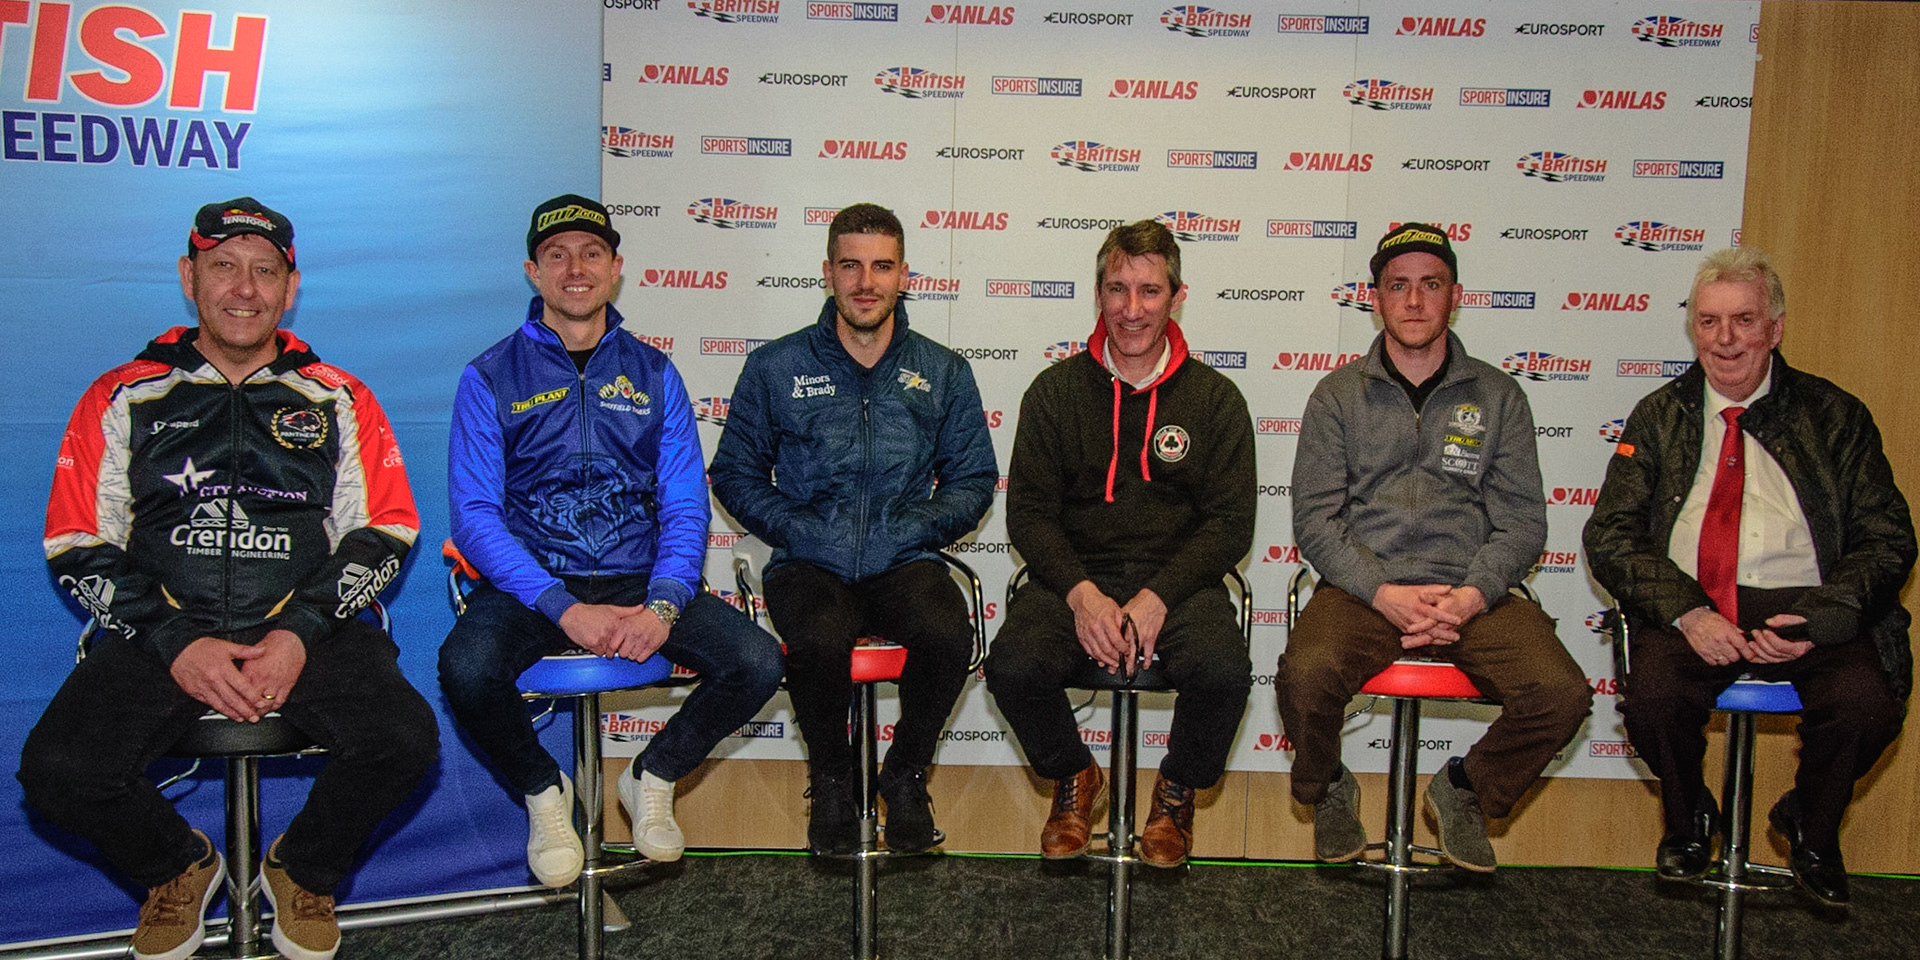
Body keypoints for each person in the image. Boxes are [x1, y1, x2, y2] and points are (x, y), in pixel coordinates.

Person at [18, 198, 438, 960]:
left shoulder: (339, 395)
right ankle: (176, 867)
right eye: (223, 267)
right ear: (189, 277)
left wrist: (298, 633)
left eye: (264, 271)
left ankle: (302, 870)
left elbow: (386, 530)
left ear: (290, 286)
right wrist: (177, 641)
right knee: (57, 771)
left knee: (404, 741)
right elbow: (76, 539)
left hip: (309, 629)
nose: (244, 289)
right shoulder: (123, 393)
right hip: (160, 633)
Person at [439, 194, 783, 885]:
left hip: (638, 578)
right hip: (531, 584)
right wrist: (563, 607)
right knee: (465, 668)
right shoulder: (488, 376)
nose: (575, 269)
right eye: (557, 255)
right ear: (533, 271)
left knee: (758, 661)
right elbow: (474, 515)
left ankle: (652, 779)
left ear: (616, 268)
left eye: (591, 254)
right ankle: (544, 792)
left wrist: (661, 606)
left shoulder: (654, 374)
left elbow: (685, 502)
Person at [1584, 247, 1912, 906]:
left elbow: (1887, 538)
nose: (1725, 339)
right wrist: (1687, 612)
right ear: (1693, 329)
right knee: (1651, 700)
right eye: (1709, 322)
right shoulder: (1660, 415)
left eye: (1743, 320)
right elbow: (1611, 535)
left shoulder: (1835, 415)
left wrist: (1820, 621)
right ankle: (1689, 821)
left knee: (1865, 706)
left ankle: (1812, 827)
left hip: (1809, 603)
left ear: (1775, 327)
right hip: (1693, 601)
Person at [1279, 222, 1593, 873]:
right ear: (1376, 299)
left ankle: (1463, 791)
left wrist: (1475, 593)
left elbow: (1523, 523)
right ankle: (1330, 789)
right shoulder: (1337, 395)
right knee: (1306, 676)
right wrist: (1382, 592)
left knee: (1561, 692)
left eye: (1431, 285)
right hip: (1366, 590)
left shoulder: (1499, 395)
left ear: (1456, 296)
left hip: (1471, 592)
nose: (1415, 301)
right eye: (1399, 286)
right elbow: (1316, 520)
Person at [710, 203, 995, 855]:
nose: (866, 282)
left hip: (904, 560)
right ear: (828, 274)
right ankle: (834, 780)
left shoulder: (944, 371)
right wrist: (801, 529)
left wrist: (913, 525)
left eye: (881, 266)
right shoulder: (775, 368)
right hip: (811, 561)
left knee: (949, 634)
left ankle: (904, 775)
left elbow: (975, 479)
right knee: (816, 639)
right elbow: (735, 473)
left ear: (903, 276)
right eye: (850, 266)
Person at [984, 219, 1255, 868]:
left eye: (1149, 291)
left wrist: (1157, 598)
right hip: (1075, 576)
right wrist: (1082, 597)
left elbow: (1230, 525)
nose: (1132, 309)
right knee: (1012, 666)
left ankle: (1176, 793)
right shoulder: (1054, 393)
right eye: (1117, 289)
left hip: (1178, 581)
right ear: (1098, 295)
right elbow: (1028, 515)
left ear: (1176, 295)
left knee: (1225, 673)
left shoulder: (1216, 400)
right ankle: (1076, 776)